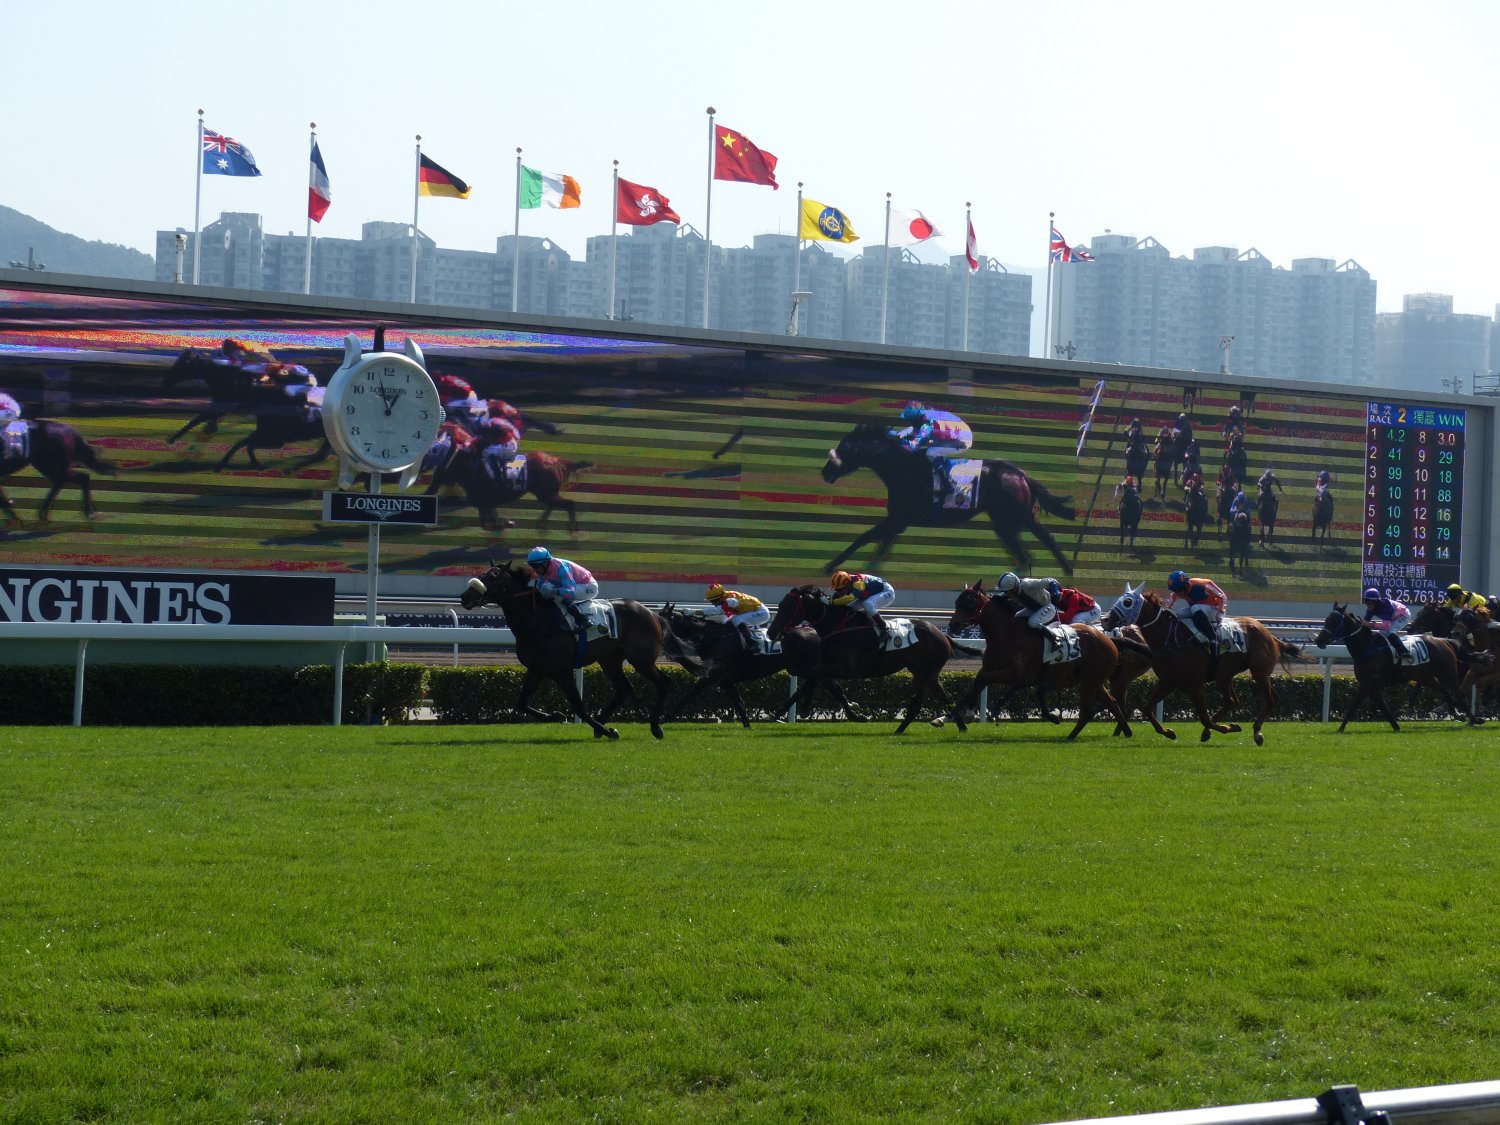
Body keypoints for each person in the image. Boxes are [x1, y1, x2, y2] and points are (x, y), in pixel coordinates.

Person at [525, 545, 598, 632]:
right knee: (546, 595)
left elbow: (570, 592)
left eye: (536, 566)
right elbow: (540, 588)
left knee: (558, 596)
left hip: (588, 586)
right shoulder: (544, 570)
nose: (534, 569)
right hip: (576, 585)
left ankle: (584, 621)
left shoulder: (561, 567)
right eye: (532, 566)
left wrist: (553, 591)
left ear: (545, 563)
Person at [830, 570, 896, 645]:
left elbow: (850, 598)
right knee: (850, 608)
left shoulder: (858, 583)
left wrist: (831, 602)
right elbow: (837, 600)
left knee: (867, 604)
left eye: (839, 589)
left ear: (847, 584)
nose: (838, 592)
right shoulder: (847, 583)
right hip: (872, 593)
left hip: (887, 592)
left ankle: (884, 629)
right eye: (836, 589)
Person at [1166, 569, 1227, 646]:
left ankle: (1213, 638)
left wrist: (1220, 614)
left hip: (1215, 610)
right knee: (1179, 614)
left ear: (1186, 585)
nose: (1177, 593)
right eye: (1175, 590)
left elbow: (1223, 597)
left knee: (1195, 608)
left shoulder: (1203, 584)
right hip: (1199, 611)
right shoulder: (1178, 591)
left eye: (1179, 590)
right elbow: (1168, 606)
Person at [704, 583, 770, 650]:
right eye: (711, 601)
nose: (713, 603)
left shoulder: (731, 600)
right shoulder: (725, 597)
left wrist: (700, 612)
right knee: (730, 620)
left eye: (715, 600)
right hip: (752, 611)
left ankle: (752, 643)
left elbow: (719, 610)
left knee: (736, 620)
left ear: (722, 596)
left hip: (761, 613)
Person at [996, 571, 1062, 635]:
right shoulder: (1012, 591)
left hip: (1048, 606)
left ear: (1014, 588)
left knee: (1033, 623)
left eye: (1006, 592)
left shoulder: (1027, 584)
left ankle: (1054, 638)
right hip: (1033, 609)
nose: (1006, 594)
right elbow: (999, 596)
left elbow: (1051, 581)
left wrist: (1055, 591)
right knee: (1016, 618)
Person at [1361, 587, 1412, 662]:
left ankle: (1405, 651)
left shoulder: (1386, 606)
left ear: (1376, 602)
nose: (1368, 605)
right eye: (1366, 602)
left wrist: (1371, 624)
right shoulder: (1370, 609)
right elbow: (1365, 622)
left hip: (1404, 615)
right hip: (1393, 617)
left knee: (1390, 632)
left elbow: (1386, 626)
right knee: (1381, 634)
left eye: (1370, 603)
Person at [476, 417, 521, 482]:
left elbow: (491, 440)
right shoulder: (495, 420)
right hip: (514, 441)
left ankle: (496, 477)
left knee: (486, 453)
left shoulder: (494, 427)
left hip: (508, 445)